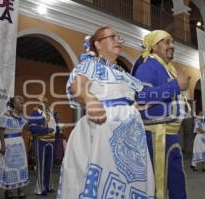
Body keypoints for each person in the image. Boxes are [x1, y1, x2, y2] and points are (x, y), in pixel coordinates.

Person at [57, 26, 155, 198]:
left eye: (119, 37)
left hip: (131, 138)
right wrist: (89, 99)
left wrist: (135, 107)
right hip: (102, 132)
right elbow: (77, 86)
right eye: (112, 37)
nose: (118, 40)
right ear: (98, 44)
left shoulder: (122, 73)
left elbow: (136, 96)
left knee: (129, 184)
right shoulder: (90, 65)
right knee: (102, 181)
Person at [132, 30, 190, 199]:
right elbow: (140, 96)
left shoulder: (168, 69)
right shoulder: (148, 66)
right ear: (154, 47)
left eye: (172, 42)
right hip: (156, 135)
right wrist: (176, 86)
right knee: (159, 185)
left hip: (170, 135)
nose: (172, 46)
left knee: (176, 181)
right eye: (166, 42)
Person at [0, 96, 29, 199]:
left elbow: (24, 129)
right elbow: (1, 131)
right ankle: (9, 191)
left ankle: (20, 189)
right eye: (21, 103)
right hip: (8, 143)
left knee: (20, 166)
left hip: (19, 143)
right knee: (8, 167)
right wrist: (3, 145)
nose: (23, 105)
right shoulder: (6, 115)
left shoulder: (21, 116)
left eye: (23, 103)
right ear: (15, 105)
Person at [28, 96, 57, 195]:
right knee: (40, 165)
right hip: (41, 141)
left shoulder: (50, 113)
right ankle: (40, 188)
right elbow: (31, 127)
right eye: (42, 102)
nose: (44, 104)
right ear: (39, 104)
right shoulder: (35, 113)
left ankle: (48, 185)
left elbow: (55, 125)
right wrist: (45, 130)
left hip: (52, 141)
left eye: (45, 102)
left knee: (49, 165)